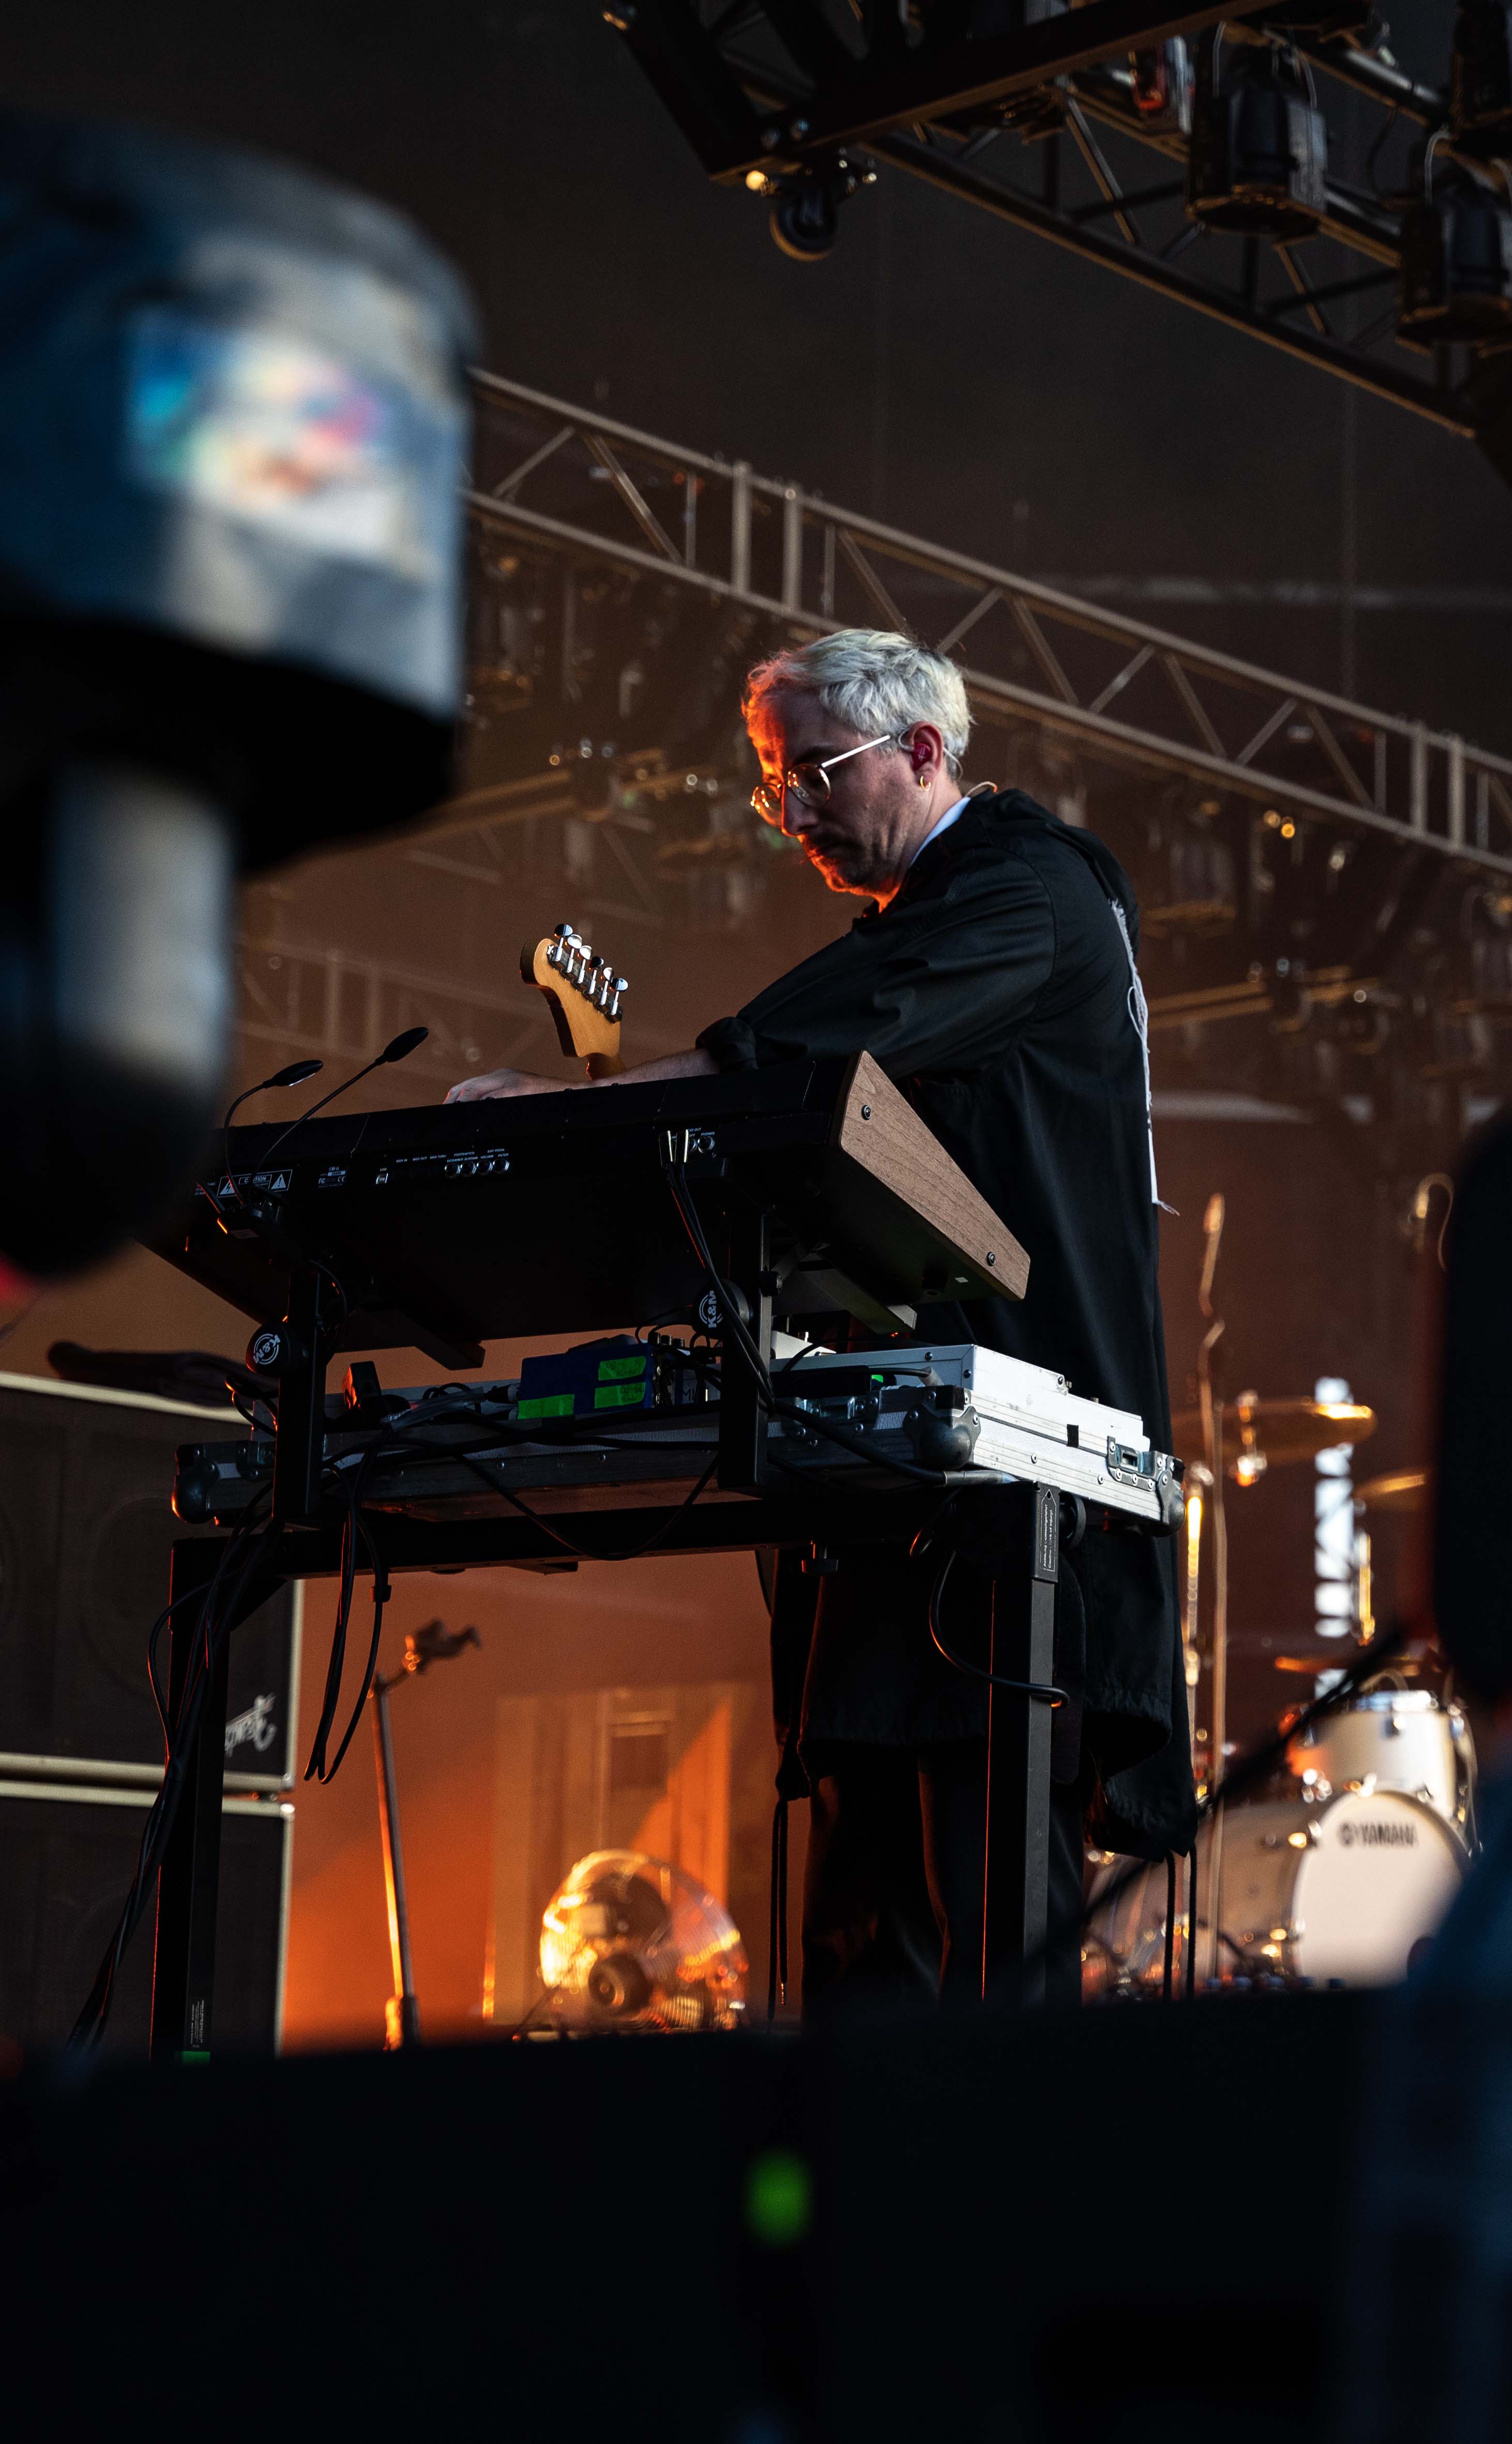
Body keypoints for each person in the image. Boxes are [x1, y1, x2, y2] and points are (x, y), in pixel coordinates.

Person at [447, 629, 1192, 2004]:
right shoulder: (953, 913)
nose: (791, 812)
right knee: (861, 1926)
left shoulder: (1026, 890)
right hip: (900, 1482)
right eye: (772, 784)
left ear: (924, 752)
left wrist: (566, 1110)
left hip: (1013, 1489)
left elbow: (799, 1059)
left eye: (815, 773)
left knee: (987, 1917)